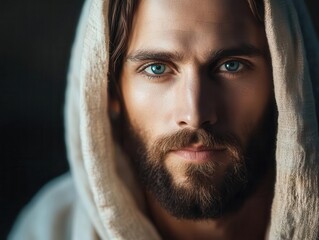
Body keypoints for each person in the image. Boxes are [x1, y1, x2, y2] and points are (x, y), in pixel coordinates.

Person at [9, 0, 319, 239]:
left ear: (285, 80)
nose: (195, 114)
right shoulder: (50, 228)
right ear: (110, 93)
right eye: (157, 68)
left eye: (231, 65)